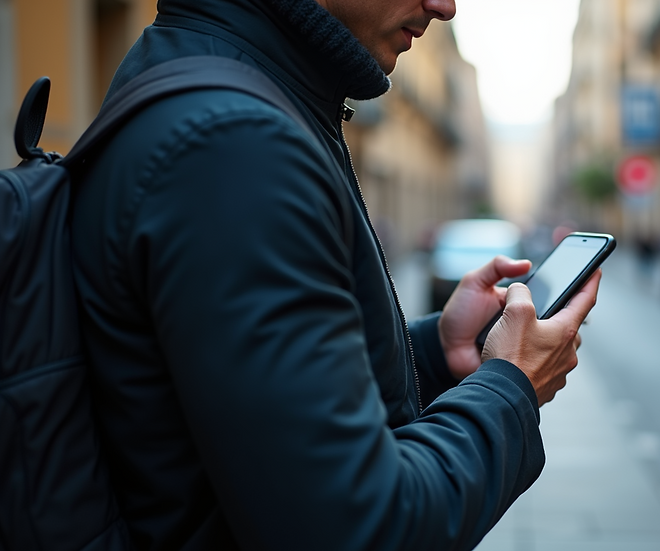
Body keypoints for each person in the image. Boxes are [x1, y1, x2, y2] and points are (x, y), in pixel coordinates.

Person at [70, 0, 602, 549]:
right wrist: (510, 385)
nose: (445, 7)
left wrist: (435, 353)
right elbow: (360, 527)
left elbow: (258, 413)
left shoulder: (226, 92)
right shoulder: (236, 145)